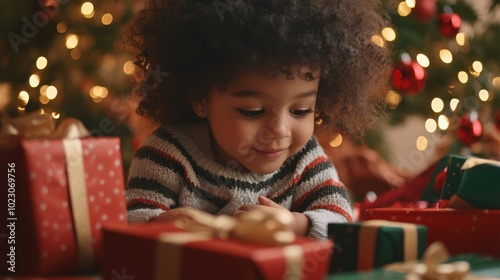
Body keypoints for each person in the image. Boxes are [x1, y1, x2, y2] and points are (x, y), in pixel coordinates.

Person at [123, 0, 392, 239]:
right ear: (200, 99)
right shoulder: (166, 155)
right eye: (252, 111)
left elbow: (342, 222)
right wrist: (160, 225)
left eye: (300, 111)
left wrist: (296, 225)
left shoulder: (306, 160)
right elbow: (131, 227)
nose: (279, 130)